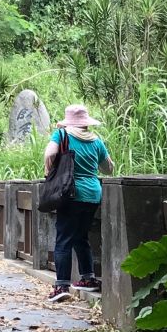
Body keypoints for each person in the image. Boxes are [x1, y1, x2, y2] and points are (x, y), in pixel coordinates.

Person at [43, 104, 114, 302]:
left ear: (68, 121)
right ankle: (88, 278)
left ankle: (62, 286)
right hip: (93, 194)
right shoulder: (96, 141)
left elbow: (50, 153)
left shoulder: (62, 135)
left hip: (71, 192)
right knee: (81, 237)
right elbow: (109, 168)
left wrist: (48, 171)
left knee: (63, 239)